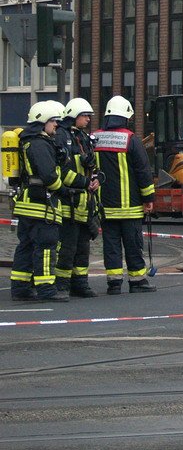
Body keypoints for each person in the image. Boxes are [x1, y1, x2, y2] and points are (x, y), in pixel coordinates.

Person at [10, 101, 94, 302]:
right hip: (41, 204)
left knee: (27, 246)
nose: (56, 125)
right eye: (53, 121)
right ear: (42, 121)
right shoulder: (39, 143)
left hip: (29, 202)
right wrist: (64, 190)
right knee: (46, 247)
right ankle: (46, 289)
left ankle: (20, 288)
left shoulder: (31, 141)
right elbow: (49, 176)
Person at [94, 95, 157, 294]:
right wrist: (148, 199)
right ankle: (137, 281)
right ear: (126, 117)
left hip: (106, 206)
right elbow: (143, 172)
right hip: (130, 207)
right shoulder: (131, 139)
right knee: (133, 244)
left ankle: (114, 283)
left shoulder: (95, 138)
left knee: (111, 245)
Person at [53, 98, 100, 298]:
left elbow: (93, 166)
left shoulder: (84, 137)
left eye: (89, 116)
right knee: (67, 247)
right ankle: (62, 285)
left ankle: (80, 283)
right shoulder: (61, 137)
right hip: (69, 203)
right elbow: (62, 172)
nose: (88, 119)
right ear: (73, 115)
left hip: (85, 203)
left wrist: (96, 179)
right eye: (85, 116)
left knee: (83, 247)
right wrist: (84, 182)